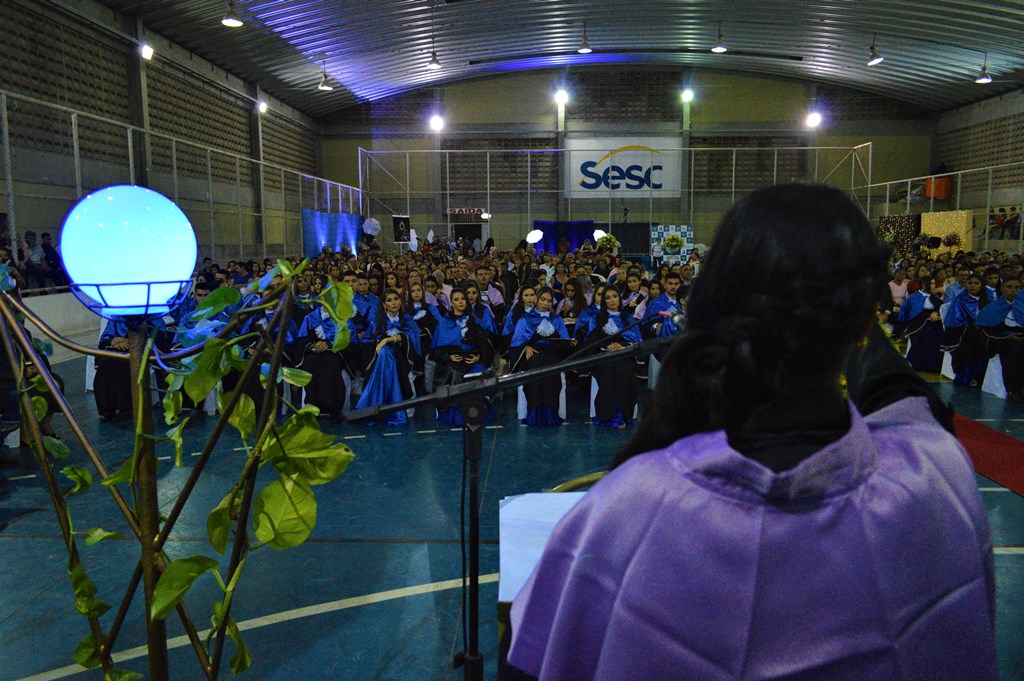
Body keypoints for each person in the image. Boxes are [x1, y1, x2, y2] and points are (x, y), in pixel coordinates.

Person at [504, 184, 996, 680]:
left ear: (710, 310)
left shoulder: (626, 508)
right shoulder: (933, 479)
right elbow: (900, 392)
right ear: (867, 318)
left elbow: (529, 655)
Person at [354, 289, 421, 425]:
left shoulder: (408, 320)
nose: (393, 303)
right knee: (385, 353)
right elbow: (367, 343)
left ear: (400, 301)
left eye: (396, 299)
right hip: (380, 359)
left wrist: (388, 340)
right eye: (389, 300)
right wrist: (381, 345)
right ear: (384, 304)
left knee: (387, 352)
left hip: (402, 358)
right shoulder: (376, 322)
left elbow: (412, 339)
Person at [510, 287, 572, 426]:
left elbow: (565, 339)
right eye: (543, 299)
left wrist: (569, 342)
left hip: (552, 352)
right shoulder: (525, 319)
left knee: (551, 368)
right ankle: (534, 413)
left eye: (549, 301)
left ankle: (551, 414)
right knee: (537, 365)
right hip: (533, 353)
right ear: (536, 300)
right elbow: (516, 341)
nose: (545, 303)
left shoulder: (557, 319)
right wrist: (525, 347)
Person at [432, 288, 494, 426]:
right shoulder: (444, 323)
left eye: (463, 299)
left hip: (473, 361)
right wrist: (449, 357)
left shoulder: (475, 322)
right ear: (451, 303)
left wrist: (479, 357)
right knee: (454, 373)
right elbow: (436, 351)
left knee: (479, 371)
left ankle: (478, 413)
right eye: (456, 299)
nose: (460, 302)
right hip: (451, 363)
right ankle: (458, 416)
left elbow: (485, 346)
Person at [583, 286, 641, 428]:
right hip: (603, 357)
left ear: (619, 298)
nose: (612, 300)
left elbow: (637, 340)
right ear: (604, 301)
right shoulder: (596, 319)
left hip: (625, 355)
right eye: (608, 298)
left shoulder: (628, 318)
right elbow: (590, 342)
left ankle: (623, 415)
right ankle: (609, 416)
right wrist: (607, 346)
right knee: (608, 370)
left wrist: (622, 346)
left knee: (626, 371)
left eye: (614, 296)